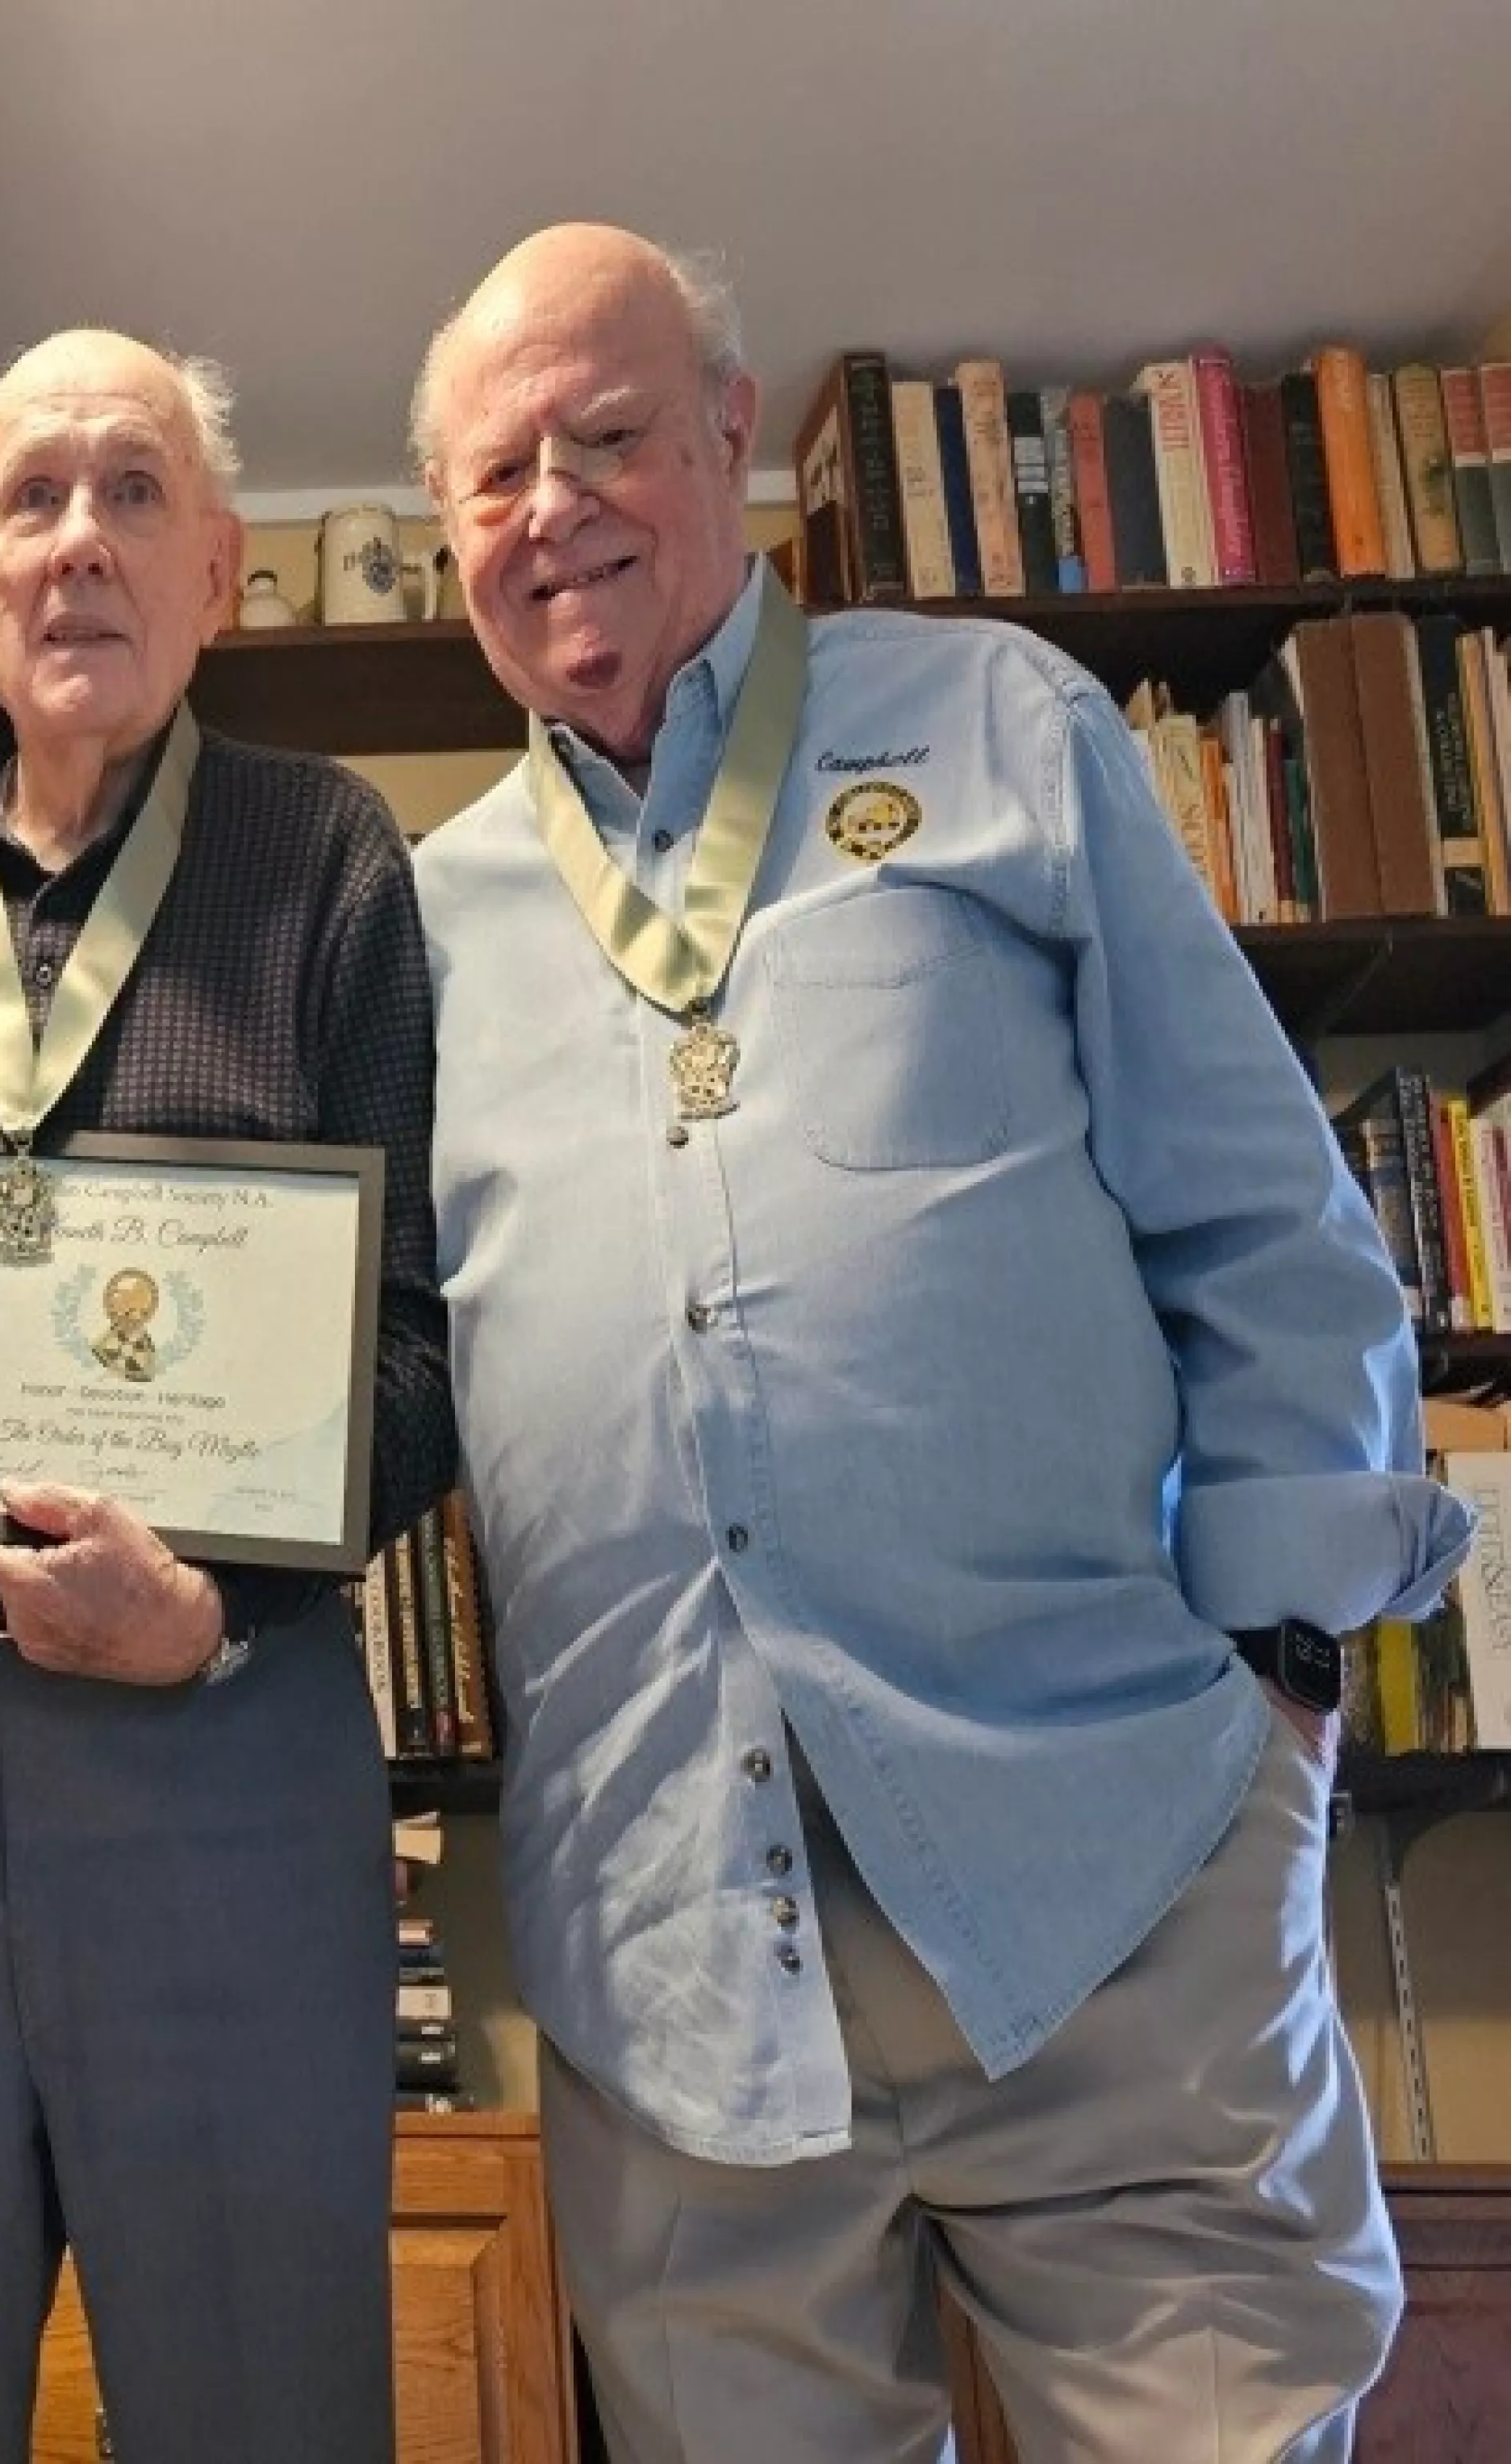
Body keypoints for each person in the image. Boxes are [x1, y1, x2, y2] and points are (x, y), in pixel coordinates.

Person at [409, 222, 1475, 2464]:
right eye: (491, 475)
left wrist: (1279, 1690)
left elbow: (1264, 1224)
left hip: (1103, 1870)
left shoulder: (997, 722)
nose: (548, 505)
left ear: (728, 429)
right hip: (672, 1966)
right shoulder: (419, 925)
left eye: (604, 435)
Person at [0, 327, 460, 2464]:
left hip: (224, 1746)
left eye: (132, 491)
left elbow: (423, 1343)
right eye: (32, 499)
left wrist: (218, 1610)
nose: (80, 542)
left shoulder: (328, 855)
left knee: (262, 2405)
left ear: (219, 570)